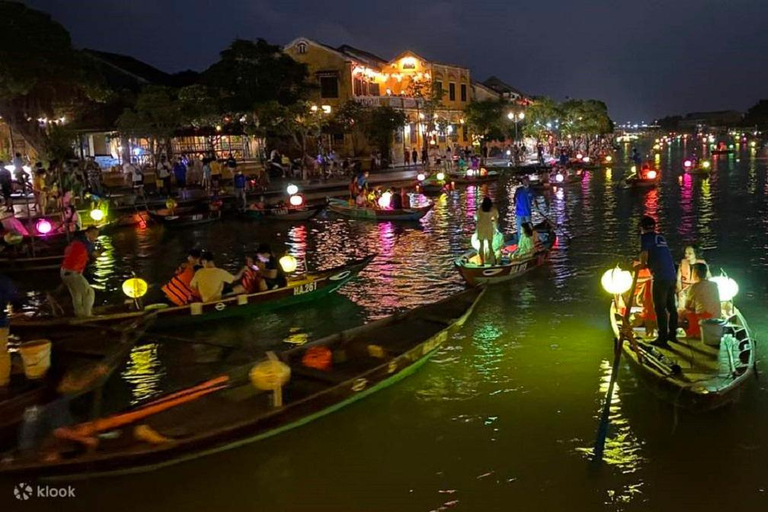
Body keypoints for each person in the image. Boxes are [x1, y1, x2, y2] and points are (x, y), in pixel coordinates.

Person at [637, 216, 678, 347]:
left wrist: (641, 265)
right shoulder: (660, 237)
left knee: (660, 308)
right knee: (671, 307)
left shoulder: (645, 237)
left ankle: (662, 339)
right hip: (672, 275)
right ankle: (673, 335)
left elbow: (644, 254)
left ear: (642, 228)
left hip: (660, 277)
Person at [60, 226, 101, 317]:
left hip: (65, 272)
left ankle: (79, 314)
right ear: (86, 233)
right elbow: (95, 255)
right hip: (73, 273)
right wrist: (99, 252)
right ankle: (87, 314)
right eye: (93, 234)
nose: (95, 237)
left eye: (96, 235)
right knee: (89, 292)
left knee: (77, 294)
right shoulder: (86, 243)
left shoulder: (75, 242)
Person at [682, 262, 721, 338]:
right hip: (717, 315)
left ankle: (693, 332)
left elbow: (686, 306)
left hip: (704, 317)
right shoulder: (714, 284)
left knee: (682, 313)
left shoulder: (694, 287)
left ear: (695, 273)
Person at [475, 197, 499, 266]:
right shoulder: (493, 210)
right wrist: (496, 228)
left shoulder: (480, 209)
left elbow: (476, 218)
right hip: (489, 227)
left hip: (481, 228)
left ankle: (482, 262)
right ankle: (492, 262)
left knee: (481, 245)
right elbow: (496, 219)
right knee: (490, 245)